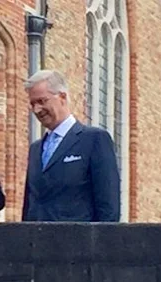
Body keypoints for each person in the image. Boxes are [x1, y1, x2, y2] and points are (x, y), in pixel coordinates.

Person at [22, 70, 120, 222]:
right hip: (37, 242)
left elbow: (108, 207)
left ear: (62, 97)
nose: (36, 110)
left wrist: (101, 244)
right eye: (33, 103)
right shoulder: (35, 149)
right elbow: (30, 205)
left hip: (78, 242)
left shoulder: (94, 140)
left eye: (42, 101)